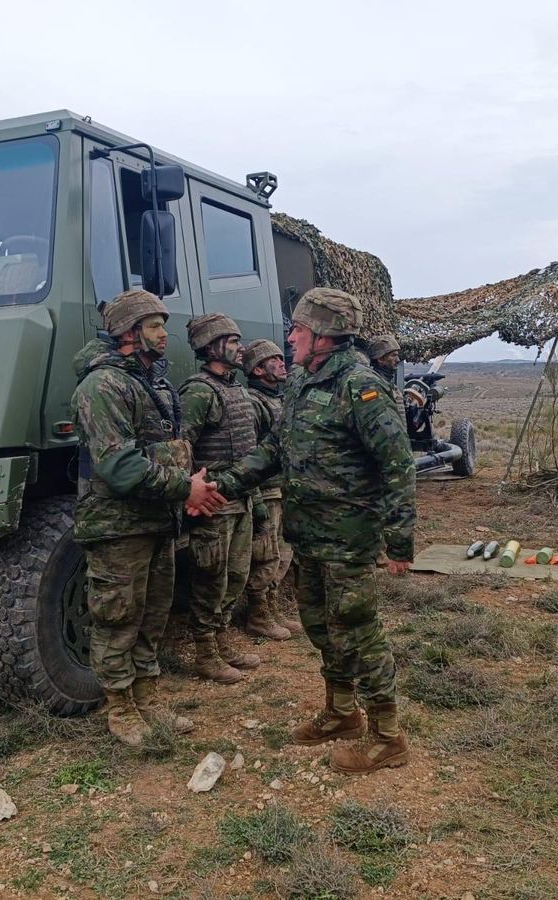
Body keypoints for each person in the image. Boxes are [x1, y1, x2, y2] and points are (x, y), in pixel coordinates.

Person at [213, 288, 417, 775]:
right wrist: (224, 486)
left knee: (359, 634)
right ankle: (342, 713)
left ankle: (388, 738)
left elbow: (397, 463)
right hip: (309, 538)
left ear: (323, 336)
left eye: (299, 330)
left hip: (348, 541)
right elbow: (275, 449)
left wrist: (399, 541)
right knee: (323, 630)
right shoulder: (303, 382)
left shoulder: (360, 386)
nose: (291, 338)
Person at [70, 289, 224, 745]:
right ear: (129, 334)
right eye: (155, 326)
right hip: (118, 528)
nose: (164, 333)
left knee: (152, 617)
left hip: (155, 522)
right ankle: (121, 710)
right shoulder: (102, 387)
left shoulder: (148, 382)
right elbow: (119, 466)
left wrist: (187, 478)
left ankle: (150, 701)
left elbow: (158, 448)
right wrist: (185, 487)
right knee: (118, 618)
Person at [180, 313, 262, 683]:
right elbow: (181, 447)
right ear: (212, 346)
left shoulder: (236, 389)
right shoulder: (198, 391)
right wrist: (190, 491)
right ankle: (205, 651)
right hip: (214, 503)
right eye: (232, 340)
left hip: (240, 499)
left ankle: (221, 637)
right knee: (211, 578)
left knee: (236, 575)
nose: (241, 346)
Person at [241, 339, 302, 640]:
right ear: (257, 369)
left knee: (283, 553)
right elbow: (249, 453)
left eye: (281, 357)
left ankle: (273, 609)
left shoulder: (278, 399)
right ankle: (258, 615)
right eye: (273, 359)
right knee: (265, 555)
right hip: (266, 491)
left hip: (284, 488)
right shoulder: (253, 403)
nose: (282, 363)